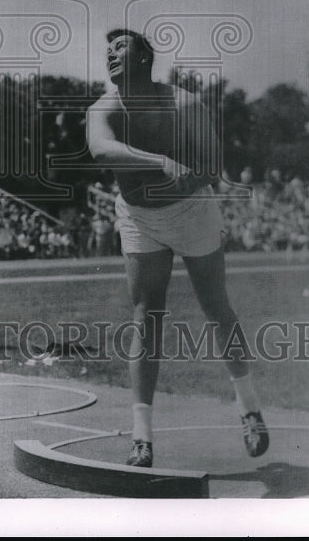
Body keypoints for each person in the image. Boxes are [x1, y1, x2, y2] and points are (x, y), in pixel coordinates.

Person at [86, 28, 268, 468]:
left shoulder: (184, 103)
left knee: (216, 307)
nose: (110, 53)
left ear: (146, 57)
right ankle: (141, 437)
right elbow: (100, 149)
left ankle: (250, 409)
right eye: (106, 50)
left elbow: (212, 164)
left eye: (121, 47)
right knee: (146, 318)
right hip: (138, 216)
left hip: (191, 212)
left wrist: (192, 175)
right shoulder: (102, 109)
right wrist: (160, 161)